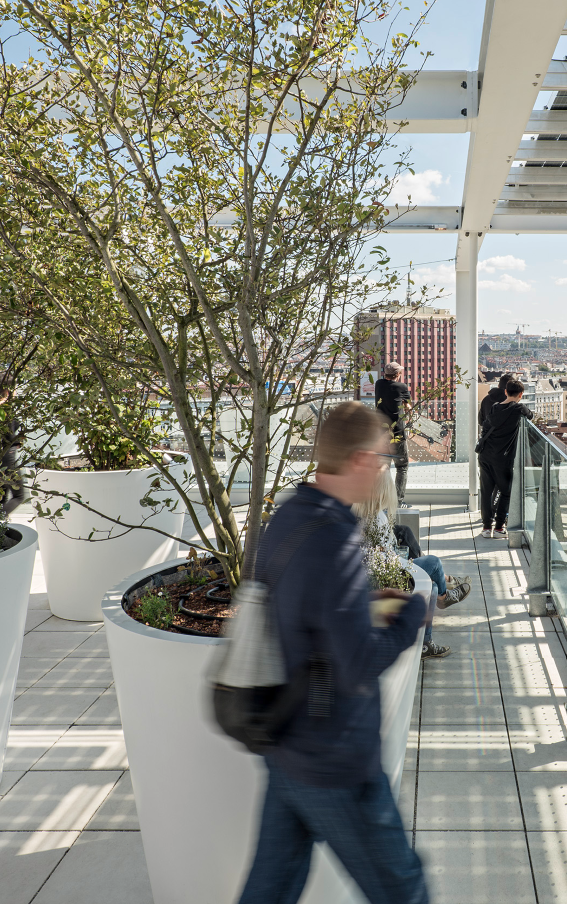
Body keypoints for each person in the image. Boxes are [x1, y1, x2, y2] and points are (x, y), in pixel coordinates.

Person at [237, 401, 429, 904]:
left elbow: (299, 613)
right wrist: (411, 615)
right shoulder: (334, 541)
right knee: (403, 889)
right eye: (382, 458)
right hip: (335, 758)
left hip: (286, 744)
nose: (384, 469)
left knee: (268, 892)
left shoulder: (289, 517)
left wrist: (357, 605)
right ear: (361, 460)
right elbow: (359, 663)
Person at [353, 471, 470, 660]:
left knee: (431, 586)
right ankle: (444, 597)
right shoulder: (375, 519)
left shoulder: (364, 513)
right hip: (386, 577)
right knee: (433, 562)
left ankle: (426, 644)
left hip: (385, 572)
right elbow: (380, 557)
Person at [477, 379, 532, 538]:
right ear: (521, 395)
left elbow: (485, 425)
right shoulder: (519, 409)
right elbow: (530, 415)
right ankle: (499, 528)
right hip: (503, 457)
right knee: (506, 491)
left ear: (506, 392)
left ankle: (486, 528)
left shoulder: (494, 407)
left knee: (486, 492)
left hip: (485, 455)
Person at [372, 362, 411, 500]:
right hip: (397, 433)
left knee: (384, 468)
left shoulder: (378, 384)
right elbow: (408, 405)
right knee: (402, 467)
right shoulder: (402, 387)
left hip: (381, 434)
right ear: (398, 374)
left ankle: (383, 500)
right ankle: (398, 500)